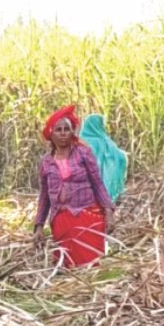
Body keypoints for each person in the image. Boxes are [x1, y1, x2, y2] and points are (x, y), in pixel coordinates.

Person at [33, 105, 116, 267]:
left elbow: (98, 183)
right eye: (58, 130)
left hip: (87, 215)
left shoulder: (84, 153)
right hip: (61, 220)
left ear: (72, 133)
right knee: (68, 266)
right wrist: (38, 226)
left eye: (67, 129)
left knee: (91, 266)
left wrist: (108, 211)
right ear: (51, 134)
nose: (63, 133)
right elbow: (45, 197)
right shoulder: (46, 162)